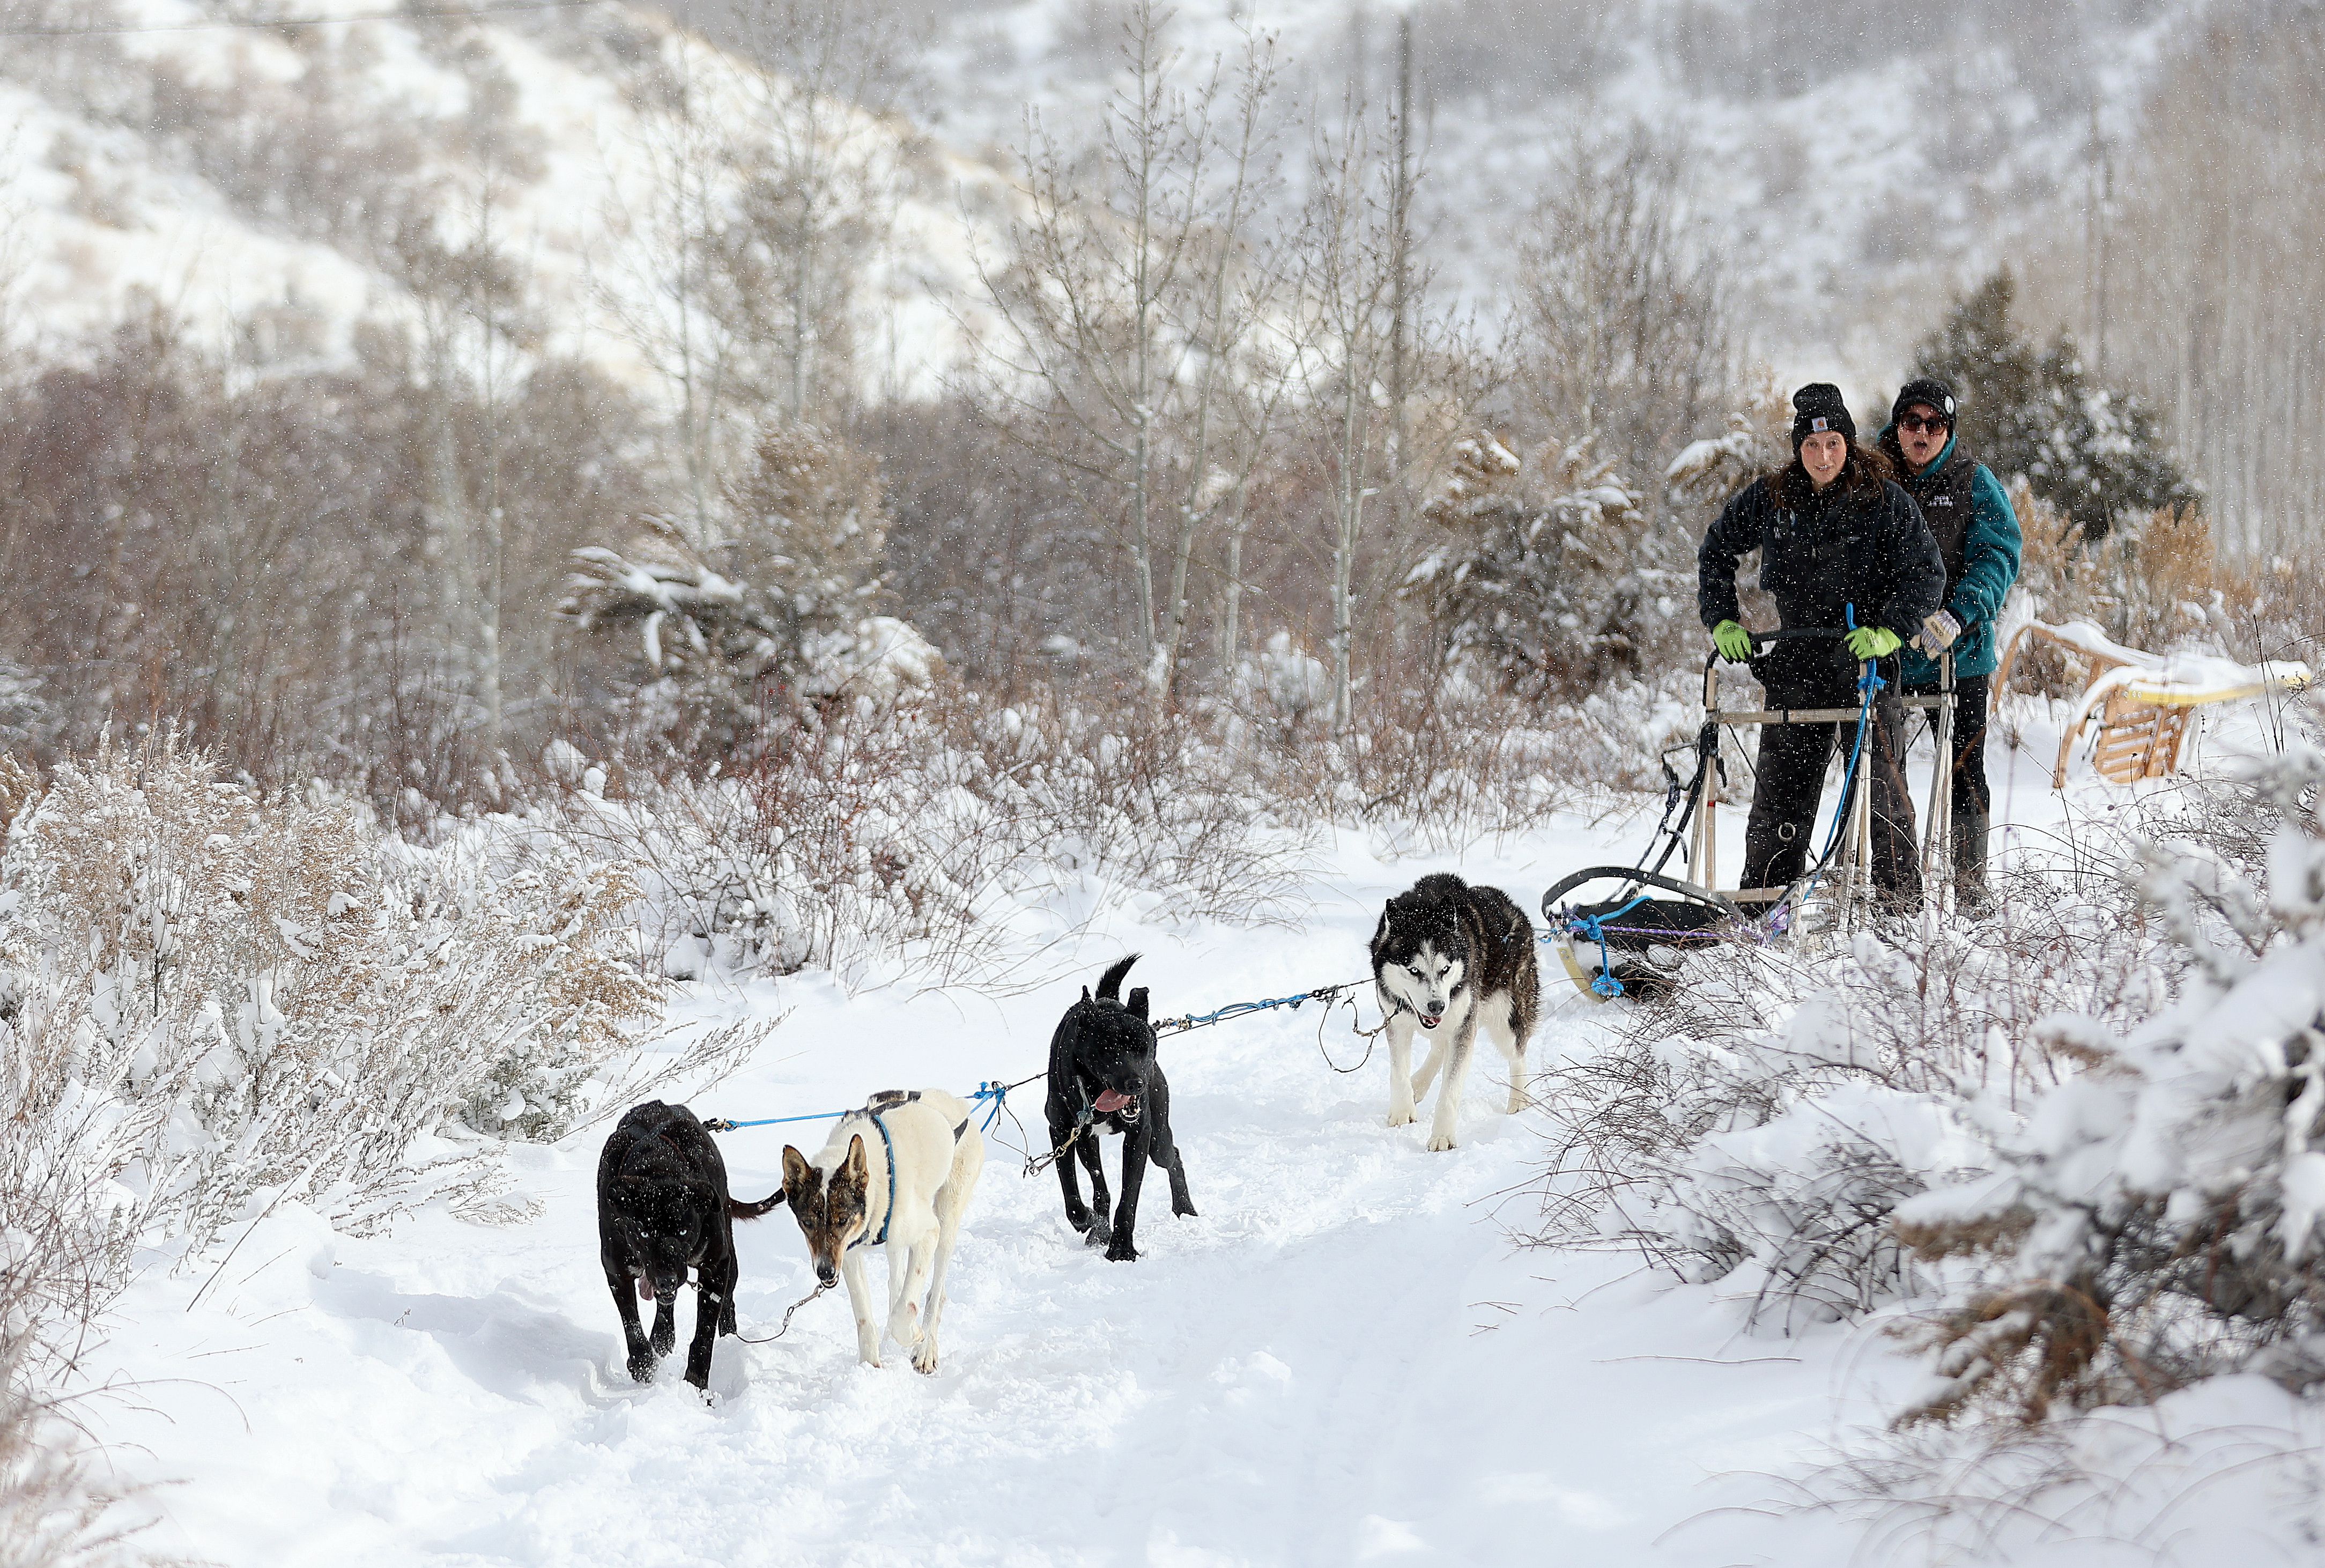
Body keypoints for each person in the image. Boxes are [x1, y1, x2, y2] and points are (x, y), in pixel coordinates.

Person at [1697, 383, 1946, 913]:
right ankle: (1765, 913)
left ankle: (1898, 916)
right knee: (1778, 804)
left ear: (1848, 443)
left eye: (1833, 443)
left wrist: (1891, 630)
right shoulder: (1772, 497)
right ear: (1797, 448)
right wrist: (1722, 619)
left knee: (1884, 797)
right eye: (1812, 446)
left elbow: (1926, 572)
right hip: (1796, 663)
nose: (1823, 456)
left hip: (1866, 664)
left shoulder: (1882, 498)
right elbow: (1716, 550)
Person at [1877, 377, 2023, 915]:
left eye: (1932, 424)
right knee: (1882, 771)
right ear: (1897, 425)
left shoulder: (1973, 481)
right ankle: (1894, 887)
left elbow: (1999, 555)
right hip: (1888, 646)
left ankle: (1970, 886)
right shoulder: (1871, 474)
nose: (1920, 433)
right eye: (1910, 422)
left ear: (1948, 430)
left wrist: (1958, 613)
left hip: (1955, 650)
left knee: (1964, 767)